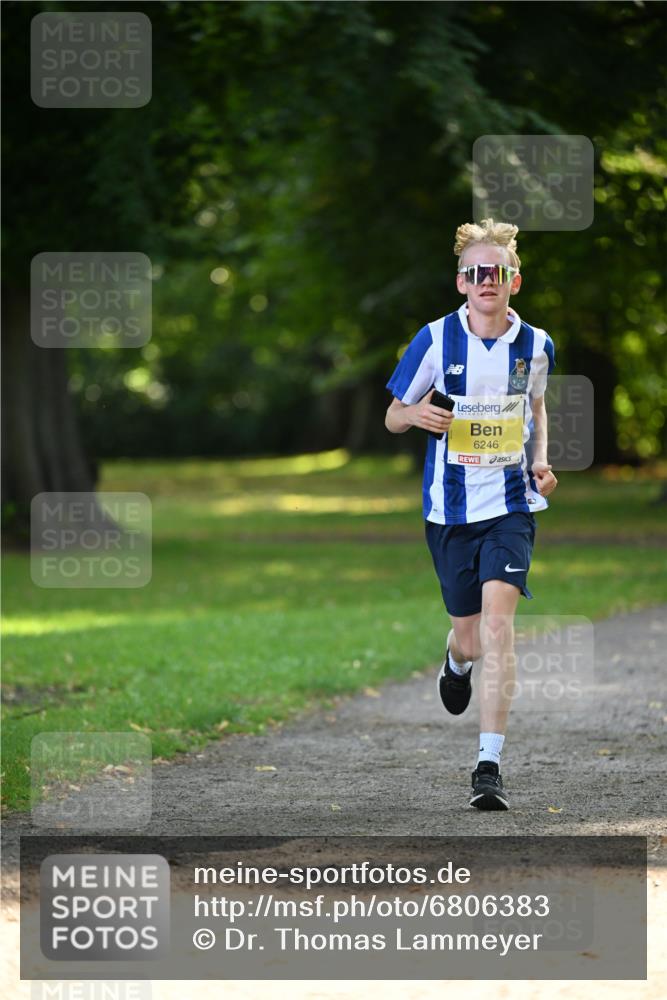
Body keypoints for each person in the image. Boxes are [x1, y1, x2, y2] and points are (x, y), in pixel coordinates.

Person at [384, 218, 558, 811]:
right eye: (477, 272)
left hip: (511, 506)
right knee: (471, 637)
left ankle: (489, 766)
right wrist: (416, 416)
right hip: (450, 512)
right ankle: (455, 662)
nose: (488, 280)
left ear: (515, 281)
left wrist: (541, 461)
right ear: (461, 281)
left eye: (498, 272)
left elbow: (536, 409)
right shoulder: (435, 340)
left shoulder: (537, 345)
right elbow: (393, 415)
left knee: (499, 628)